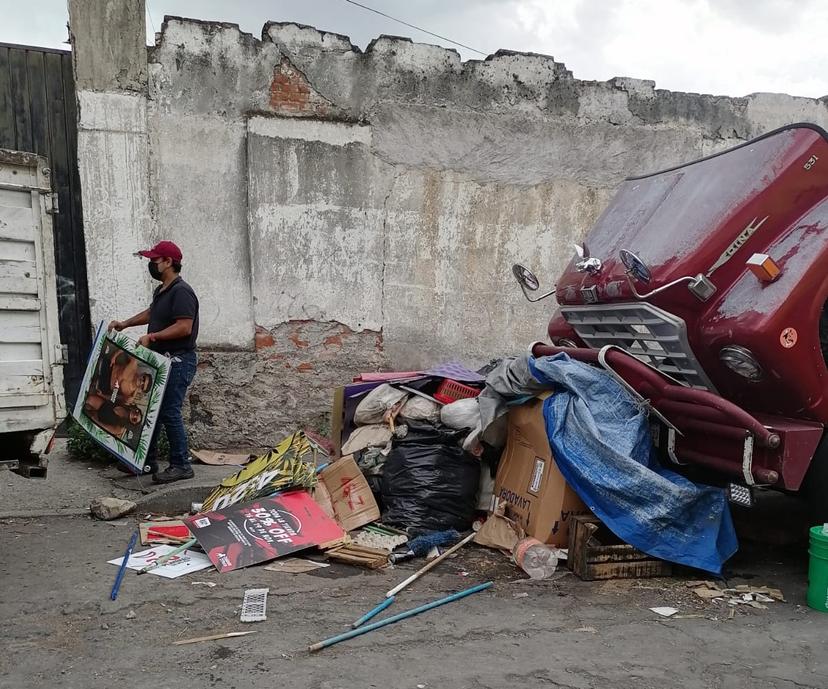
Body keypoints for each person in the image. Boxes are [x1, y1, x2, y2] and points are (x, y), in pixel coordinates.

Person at [108, 240, 200, 483]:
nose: (151, 264)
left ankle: (181, 464)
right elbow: (152, 314)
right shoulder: (163, 291)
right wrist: (125, 323)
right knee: (153, 411)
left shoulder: (182, 291)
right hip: (163, 361)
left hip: (179, 361)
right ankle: (145, 462)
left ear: (168, 262)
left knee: (169, 412)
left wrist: (152, 337)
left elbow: (184, 327)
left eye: (154, 260)